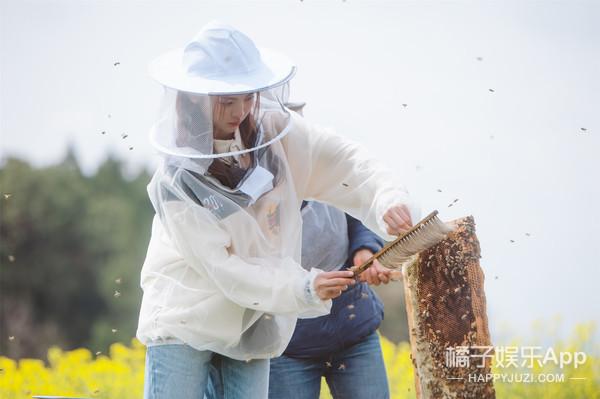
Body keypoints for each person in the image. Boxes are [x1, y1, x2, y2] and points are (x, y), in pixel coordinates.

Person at [137, 21, 420, 399]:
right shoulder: (176, 180)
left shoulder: (274, 134)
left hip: (254, 317)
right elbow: (226, 269)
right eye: (227, 101)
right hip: (186, 316)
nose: (240, 110)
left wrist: (387, 197)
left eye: (248, 96)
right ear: (194, 98)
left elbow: (343, 159)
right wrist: (303, 287)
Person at [267, 201, 392, 399]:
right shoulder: (255, 186)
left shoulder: (329, 171)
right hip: (287, 346)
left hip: (354, 328)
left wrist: (364, 250)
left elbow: (357, 207)